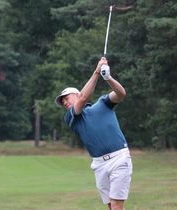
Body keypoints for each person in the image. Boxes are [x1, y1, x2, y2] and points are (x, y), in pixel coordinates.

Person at [55, 57, 132, 210]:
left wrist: (108, 77)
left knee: (116, 207)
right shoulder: (71, 117)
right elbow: (83, 98)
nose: (64, 103)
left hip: (119, 158)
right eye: (62, 102)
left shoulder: (104, 103)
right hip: (99, 164)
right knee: (111, 207)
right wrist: (97, 72)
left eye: (66, 98)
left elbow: (121, 93)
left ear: (76, 94)